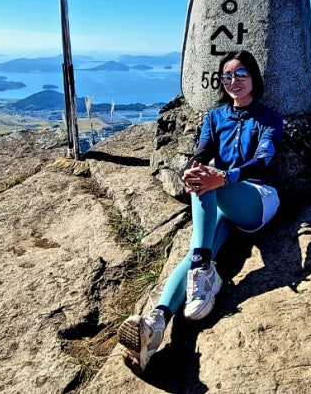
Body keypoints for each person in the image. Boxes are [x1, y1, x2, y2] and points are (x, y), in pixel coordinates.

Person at [117, 49, 284, 373]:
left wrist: (225, 176)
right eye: (227, 76)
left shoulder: (269, 118)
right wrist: (193, 170)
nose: (233, 81)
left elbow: (264, 158)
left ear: (253, 78)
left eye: (240, 74)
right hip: (220, 199)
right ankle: (156, 324)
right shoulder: (215, 118)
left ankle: (202, 270)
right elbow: (202, 152)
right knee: (197, 243)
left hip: (257, 198)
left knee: (207, 183)